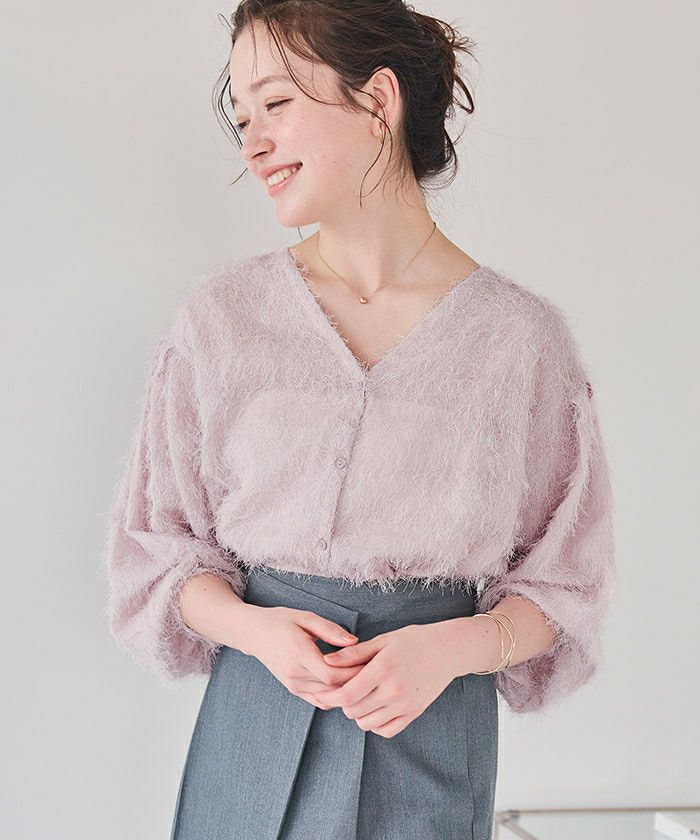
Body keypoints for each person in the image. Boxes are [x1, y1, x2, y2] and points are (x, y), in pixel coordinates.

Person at [102, 3, 617, 839]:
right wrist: (254, 628)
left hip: (429, 731)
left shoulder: (521, 341)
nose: (253, 143)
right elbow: (157, 548)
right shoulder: (222, 319)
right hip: (254, 722)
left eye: (277, 103)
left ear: (378, 101)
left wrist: (453, 646)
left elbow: (565, 585)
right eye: (243, 118)